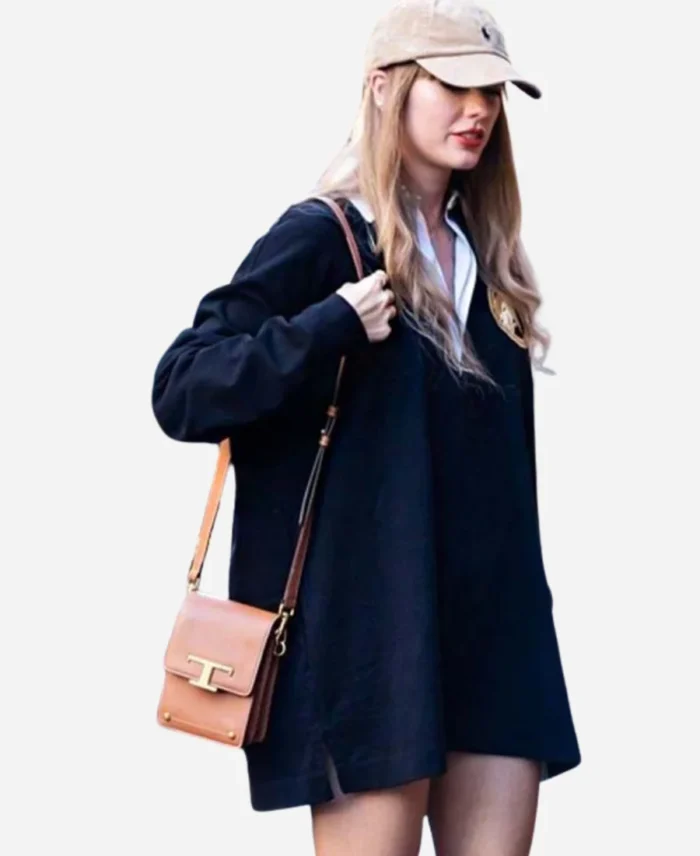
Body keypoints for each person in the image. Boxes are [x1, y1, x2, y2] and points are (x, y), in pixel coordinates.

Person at [151, 1, 581, 853]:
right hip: (375, 636)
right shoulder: (327, 237)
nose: (479, 110)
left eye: (492, 92)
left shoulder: (491, 261)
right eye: (453, 85)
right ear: (385, 88)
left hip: (498, 638)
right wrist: (327, 328)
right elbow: (184, 386)